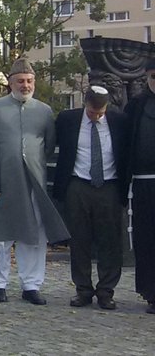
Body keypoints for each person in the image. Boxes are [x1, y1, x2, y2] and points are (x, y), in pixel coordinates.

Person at [0, 58, 68, 305]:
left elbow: (49, 145)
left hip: (34, 182)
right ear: (10, 83)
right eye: (20, 81)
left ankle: (31, 284)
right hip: (1, 181)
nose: (26, 85)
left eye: (30, 81)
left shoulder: (43, 111)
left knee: (34, 235)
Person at [54, 85, 128, 310]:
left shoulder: (119, 121)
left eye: (100, 112)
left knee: (111, 241)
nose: (96, 116)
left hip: (110, 186)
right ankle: (83, 289)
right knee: (79, 240)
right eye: (92, 112)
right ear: (84, 103)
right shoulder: (67, 120)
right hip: (78, 184)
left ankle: (106, 290)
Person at [125, 57, 155, 314]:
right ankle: (151, 292)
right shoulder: (136, 106)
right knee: (146, 239)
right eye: (154, 77)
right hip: (143, 184)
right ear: (148, 78)